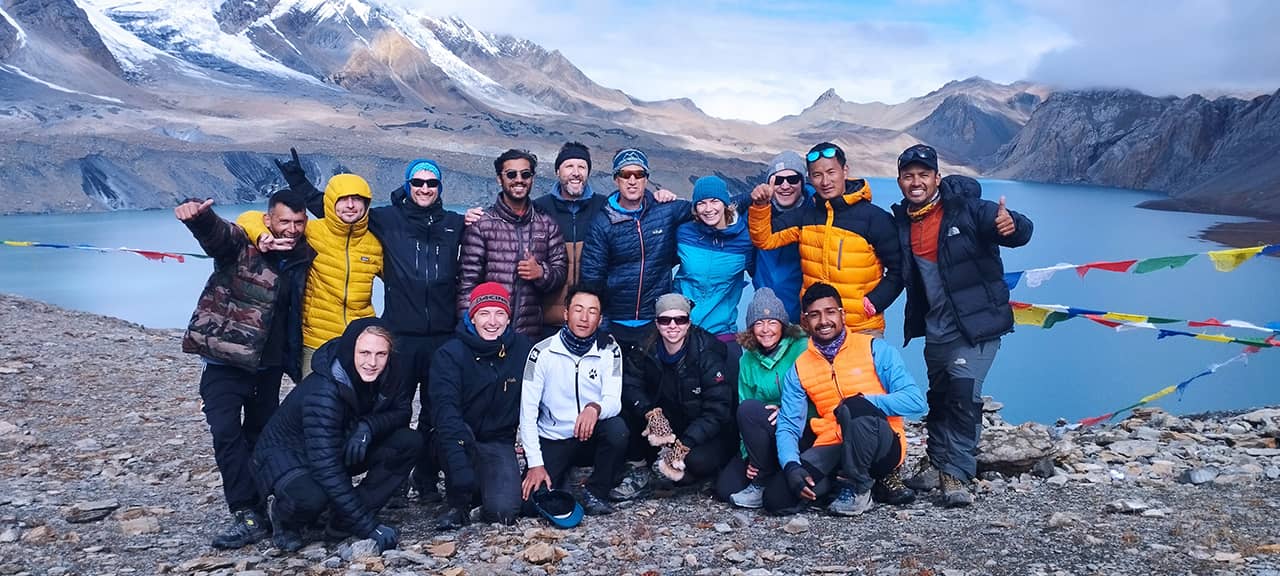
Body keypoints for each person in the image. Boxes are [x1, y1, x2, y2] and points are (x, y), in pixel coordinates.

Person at [274, 150, 467, 503]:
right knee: (394, 408)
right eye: (418, 182)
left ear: (440, 187)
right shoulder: (386, 219)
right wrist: (299, 183)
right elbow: (338, 210)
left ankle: (425, 477)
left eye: (432, 183)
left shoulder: (456, 223)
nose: (425, 188)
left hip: (442, 335)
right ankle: (392, 482)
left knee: (436, 409)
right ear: (407, 186)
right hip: (400, 336)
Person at [889, 144, 1033, 508]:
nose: (916, 182)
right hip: (936, 328)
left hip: (976, 326)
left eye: (924, 175)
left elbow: (1019, 229)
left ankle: (956, 472)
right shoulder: (904, 221)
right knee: (939, 397)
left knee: (963, 393)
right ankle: (937, 462)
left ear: (937, 178)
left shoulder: (967, 209)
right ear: (900, 181)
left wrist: (1012, 226)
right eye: (909, 176)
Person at [176, 191, 313, 549]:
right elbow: (220, 236)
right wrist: (199, 219)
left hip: (269, 365)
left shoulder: (303, 255)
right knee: (226, 433)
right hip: (226, 360)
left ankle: (267, 505)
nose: (292, 229)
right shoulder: (243, 246)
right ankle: (246, 511)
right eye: (284, 221)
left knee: (262, 435)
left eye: (299, 222)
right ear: (268, 220)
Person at [252, 318, 419, 553]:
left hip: (340, 443)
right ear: (350, 350)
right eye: (364, 353)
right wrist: (368, 527)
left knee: (409, 442)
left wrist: (368, 427)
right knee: (311, 497)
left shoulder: (390, 373)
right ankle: (283, 519)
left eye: (381, 354)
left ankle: (341, 520)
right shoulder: (324, 391)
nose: (372, 362)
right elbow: (326, 467)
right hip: (288, 457)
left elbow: (402, 412)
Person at [764, 283, 925, 516]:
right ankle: (838, 484)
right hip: (833, 444)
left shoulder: (874, 349)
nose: (824, 321)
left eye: (830, 312)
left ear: (842, 314)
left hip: (881, 444)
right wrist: (791, 465)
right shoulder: (800, 367)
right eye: (815, 315)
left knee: (853, 406)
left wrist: (864, 402)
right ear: (805, 321)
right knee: (777, 499)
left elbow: (915, 401)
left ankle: (859, 488)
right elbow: (789, 424)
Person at [238, 173, 383, 378]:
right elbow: (249, 217)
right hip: (315, 341)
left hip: (360, 341)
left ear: (366, 204)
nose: (350, 205)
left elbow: (400, 282)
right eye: (343, 199)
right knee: (314, 395)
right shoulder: (311, 231)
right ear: (331, 201)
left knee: (358, 397)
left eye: (357, 199)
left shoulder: (375, 243)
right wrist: (262, 235)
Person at [748, 142, 903, 336]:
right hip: (816, 328)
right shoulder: (806, 216)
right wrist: (761, 206)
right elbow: (764, 239)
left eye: (831, 172)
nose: (825, 181)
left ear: (844, 171)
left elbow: (899, 269)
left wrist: (874, 302)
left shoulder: (875, 218)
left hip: (861, 328)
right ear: (810, 179)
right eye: (817, 175)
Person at [533, 143, 681, 339]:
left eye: (582, 167)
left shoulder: (603, 208)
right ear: (557, 171)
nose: (576, 172)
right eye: (569, 166)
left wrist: (658, 198)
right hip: (548, 320)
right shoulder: (539, 208)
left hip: (592, 319)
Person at [430, 283, 533, 529]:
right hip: (459, 436)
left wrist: (535, 463)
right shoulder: (450, 353)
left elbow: (536, 405)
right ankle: (458, 503)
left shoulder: (523, 350)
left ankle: (481, 488)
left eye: (499, 313)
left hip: (498, 440)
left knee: (503, 512)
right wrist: (459, 467)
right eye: (484, 313)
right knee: (452, 445)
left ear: (509, 318)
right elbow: (446, 412)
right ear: (472, 317)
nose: (492, 321)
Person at [519, 286, 628, 516]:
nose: (584, 318)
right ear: (566, 313)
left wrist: (594, 408)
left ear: (600, 319)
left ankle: (595, 491)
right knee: (529, 505)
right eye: (578, 310)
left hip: (590, 433)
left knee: (617, 430)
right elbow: (527, 413)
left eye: (592, 311)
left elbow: (614, 400)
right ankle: (564, 477)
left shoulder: (609, 349)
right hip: (555, 436)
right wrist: (536, 464)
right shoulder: (542, 352)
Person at [618, 293, 734, 498]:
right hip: (665, 424)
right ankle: (638, 467)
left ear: (689, 322)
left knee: (696, 463)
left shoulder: (707, 352)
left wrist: (686, 442)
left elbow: (718, 409)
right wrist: (650, 413)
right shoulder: (644, 347)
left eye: (680, 319)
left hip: (700, 429)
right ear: (657, 323)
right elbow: (631, 385)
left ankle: (700, 475)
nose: (673, 326)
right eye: (665, 320)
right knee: (624, 411)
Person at [579, 148, 692, 348]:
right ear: (616, 179)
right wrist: (601, 325)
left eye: (639, 174)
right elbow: (591, 280)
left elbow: (707, 208)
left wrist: (751, 198)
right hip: (615, 323)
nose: (632, 180)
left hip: (656, 321)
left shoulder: (665, 211)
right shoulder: (602, 223)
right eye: (625, 174)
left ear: (646, 179)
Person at [713, 288, 809, 509]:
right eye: (759, 323)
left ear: (783, 324)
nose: (766, 330)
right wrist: (748, 457)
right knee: (726, 488)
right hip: (761, 436)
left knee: (751, 410)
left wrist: (786, 408)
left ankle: (765, 478)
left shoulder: (801, 348)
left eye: (772, 322)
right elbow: (743, 407)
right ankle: (762, 468)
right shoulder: (747, 360)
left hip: (797, 428)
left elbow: (815, 393)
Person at [458, 149, 568, 337]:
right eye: (511, 174)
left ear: (532, 178)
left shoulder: (547, 224)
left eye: (525, 174)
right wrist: (469, 331)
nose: (519, 180)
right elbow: (467, 284)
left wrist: (541, 273)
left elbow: (560, 272)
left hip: (529, 334)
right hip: (488, 334)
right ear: (499, 179)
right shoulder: (482, 225)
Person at [674, 175, 754, 339]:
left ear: (725, 203)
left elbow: (761, 273)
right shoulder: (684, 233)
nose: (708, 209)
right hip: (681, 328)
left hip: (722, 331)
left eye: (714, 201)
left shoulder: (745, 239)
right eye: (701, 203)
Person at [744, 151, 814, 323]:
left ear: (802, 182)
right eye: (778, 180)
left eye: (792, 179)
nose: (785, 185)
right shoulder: (755, 213)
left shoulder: (816, 213)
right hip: (768, 316)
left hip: (806, 317)